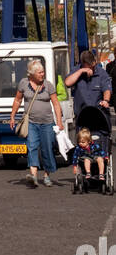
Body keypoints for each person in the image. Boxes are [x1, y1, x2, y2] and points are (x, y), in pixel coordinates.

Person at [9, 58, 64, 188]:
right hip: (31, 123)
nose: (42, 74)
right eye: (39, 72)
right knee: (32, 146)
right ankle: (33, 175)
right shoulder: (23, 83)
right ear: (32, 74)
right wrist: (12, 116)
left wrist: (59, 122)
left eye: (43, 72)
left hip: (47, 123)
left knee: (47, 149)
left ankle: (46, 176)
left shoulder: (48, 85)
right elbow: (17, 100)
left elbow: (56, 104)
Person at [65, 50, 112, 116]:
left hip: (98, 113)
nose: (91, 69)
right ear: (83, 64)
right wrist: (81, 71)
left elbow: (107, 88)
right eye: (89, 67)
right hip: (82, 114)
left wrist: (106, 100)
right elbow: (67, 83)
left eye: (93, 66)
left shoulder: (101, 73)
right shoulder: (76, 71)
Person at [71, 125, 106, 192]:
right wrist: (75, 166)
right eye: (79, 142)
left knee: (100, 159)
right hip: (86, 157)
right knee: (87, 160)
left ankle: (101, 174)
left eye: (83, 142)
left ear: (89, 141)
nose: (80, 144)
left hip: (95, 156)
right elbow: (75, 156)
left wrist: (105, 156)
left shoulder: (95, 145)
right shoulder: (79, 148)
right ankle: (88, 173)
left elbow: (101, 151)